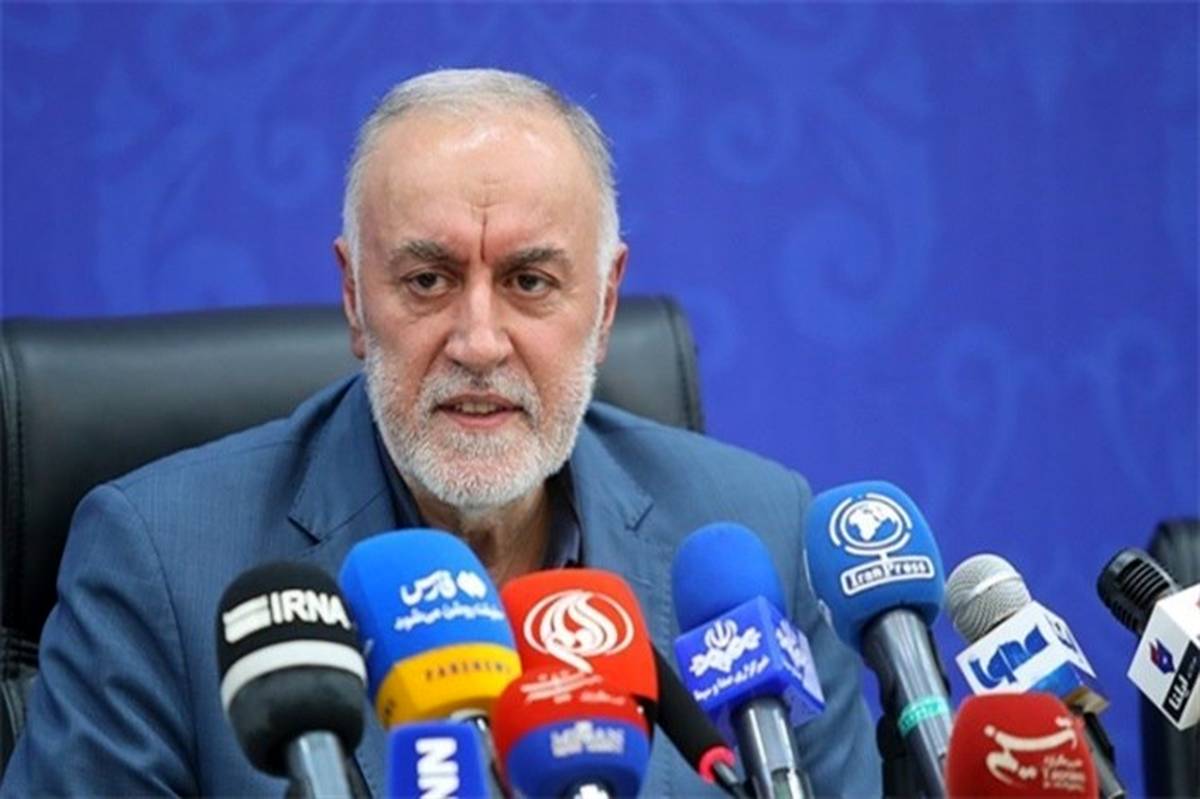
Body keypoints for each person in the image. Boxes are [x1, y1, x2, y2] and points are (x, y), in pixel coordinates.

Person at [1, 68, 880, 796]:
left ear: (607, 304)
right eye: (428, 280)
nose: (479, 342)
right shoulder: (159, 561)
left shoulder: (756, 531)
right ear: (355, 297)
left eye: (530, 281)